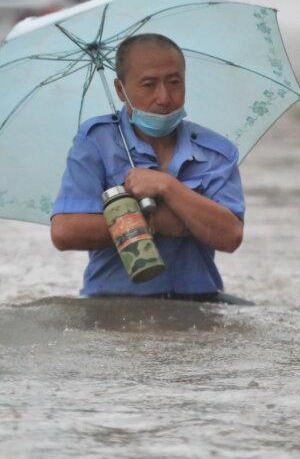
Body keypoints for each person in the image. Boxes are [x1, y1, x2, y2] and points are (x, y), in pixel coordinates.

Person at [50, 33, 244, 298]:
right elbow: (65, 231)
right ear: (121, 90)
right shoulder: (96, 142)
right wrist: (156, 221)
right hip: (114, 305)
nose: (164, 97)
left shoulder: (216, 152)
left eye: (174, 82)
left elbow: (231, 235)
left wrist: (167, 187)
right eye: (149, 85)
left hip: (198, 304)